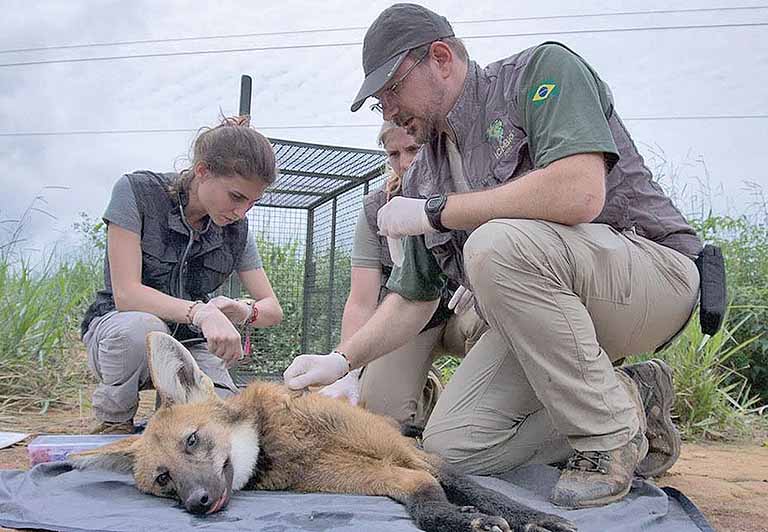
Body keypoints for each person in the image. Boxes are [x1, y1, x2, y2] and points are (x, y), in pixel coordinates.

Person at [284, 3, 702, 509]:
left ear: (440, 58)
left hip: (650, 278)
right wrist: (342, 361)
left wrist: (438, 213)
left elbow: (580, 192)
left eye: (392, 89)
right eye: (379, 102)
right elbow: (412, 300)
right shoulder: (422, 174)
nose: (389, 109)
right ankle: (632, 401)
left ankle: (607, 438)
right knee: (453, 447)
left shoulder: (539, 74)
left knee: (494, 244)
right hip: (551, 311)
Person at [81, 117, 284, 434]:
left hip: (189, 342)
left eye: (252, 203)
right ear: (202, 171)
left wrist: (242, 310)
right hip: (121, 332)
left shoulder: (237, 231)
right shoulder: (137, 193)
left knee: (219, 425)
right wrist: (201, 312)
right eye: (235, 197)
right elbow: (127, 294)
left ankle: (172, 431)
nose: (241, 212)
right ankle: (114, 424)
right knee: (142, 327)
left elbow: (272, 309)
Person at [319, 121, 487, 433]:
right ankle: (429, 391)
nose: (405, 162)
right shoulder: (375, 211)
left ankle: (481, 414)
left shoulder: (469, 190)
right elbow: (360, 301)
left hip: (462, 315)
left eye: (413, 149)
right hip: (408, 324)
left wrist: (482, 280)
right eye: (394, 153)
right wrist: (345, 370)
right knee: (381, 412)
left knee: (490, 318)